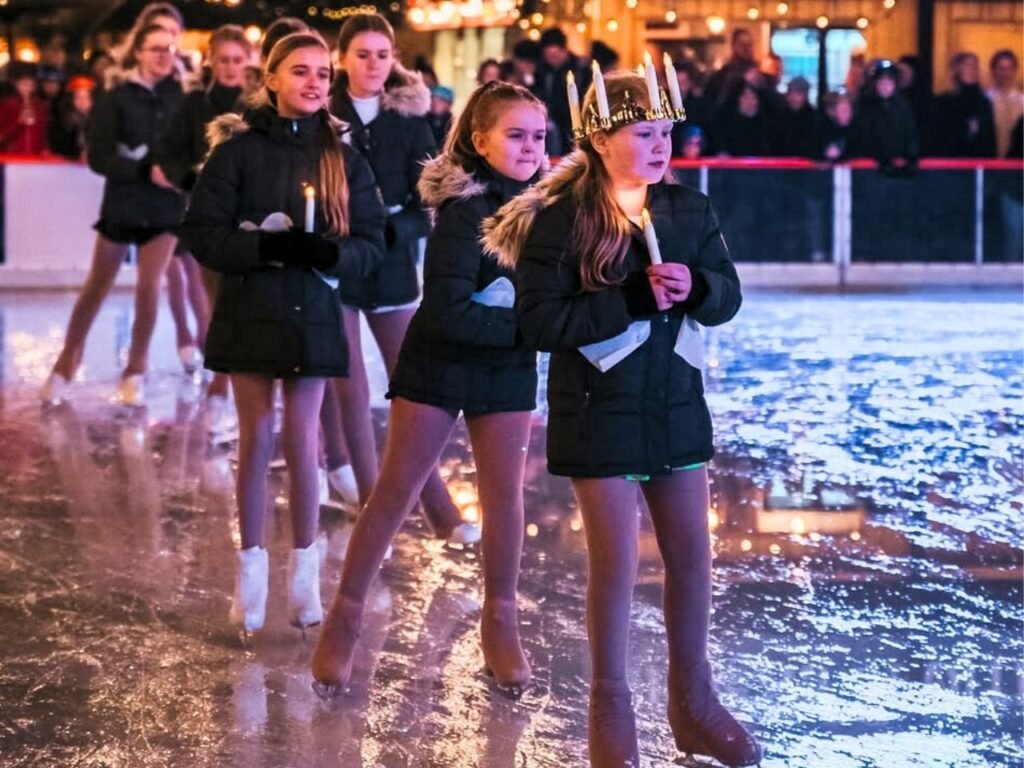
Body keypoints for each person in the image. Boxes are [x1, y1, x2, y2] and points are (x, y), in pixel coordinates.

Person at [483, 71, 761, 768]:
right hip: (597, 412)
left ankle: (694, 703)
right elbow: (541, 322)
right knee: (615, 563)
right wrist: (630, 298)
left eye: (666, 132)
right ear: (600, 141)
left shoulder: (689, 210)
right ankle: (610, 706)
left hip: (675, 407)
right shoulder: (563, 219)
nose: (661, 145)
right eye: (643, 133)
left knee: (692, 556)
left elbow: (727, 296)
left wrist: (699, 287)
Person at [311, 80, 547, 697]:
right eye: (515, 135)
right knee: (396, 488)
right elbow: (445, 310)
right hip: (441, 360)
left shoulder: (551, 212)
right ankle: (346, 612)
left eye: (538, 137)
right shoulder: (465, 212)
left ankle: (500, 620)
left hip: (506, 367)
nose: (529, 147)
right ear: (481, 141)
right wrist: (530, 325)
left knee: (505, 498)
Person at [179, 31, 386, 633]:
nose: (314, 82)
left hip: (313, 314)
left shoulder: (343, 157)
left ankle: (304, 575)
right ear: (270, 79)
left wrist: (329, 254)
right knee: (257, 438)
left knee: (304, 440)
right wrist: (263, 247)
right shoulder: (238, 153)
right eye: (300, 71)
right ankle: (250, 573)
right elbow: (202, 233)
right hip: (253, 309)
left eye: (323, 73)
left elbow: (372, 242)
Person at [328, 12, 474, 541]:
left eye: (382, 55)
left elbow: (430, 198)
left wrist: (395, 228)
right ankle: (373, 502)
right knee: (350, 386)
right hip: (336, 262)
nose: (373, 65)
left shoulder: (411, 120)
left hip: (390, 266)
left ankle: (437, 505)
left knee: (414, 384)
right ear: (342, 58)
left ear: (394, 59)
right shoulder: (323, 113)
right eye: (362, 54)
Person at [39, 16, 187, 407]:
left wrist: (179, 172)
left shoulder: (182, 95)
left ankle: (136, 369)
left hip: (165, 207)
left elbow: (192, 146)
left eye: (170, 48)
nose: (164, 56)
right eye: (156, 49)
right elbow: (99, 156)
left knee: (150, 285)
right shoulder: (117, 96)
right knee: (97, 285)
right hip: (124, 203)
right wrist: (141, 169)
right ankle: (66, 361)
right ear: (138, 52)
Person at [155, 23, 254, 437]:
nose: (230, 67)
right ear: (211, 60)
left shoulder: (259, 102)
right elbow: (168, 152)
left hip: (253, 220)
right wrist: (191, 180)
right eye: (224, 59)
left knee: (251, 309)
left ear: (248, 61)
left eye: (237, 60)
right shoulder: (196, 103)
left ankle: (249, 392)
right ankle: (218, 389)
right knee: (217, 307)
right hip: (211, 220)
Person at [848, 59, 918, 175]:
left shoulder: (903, 107)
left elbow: (911, 135)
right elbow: (863, 137)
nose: (885, 86)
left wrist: (910, 158)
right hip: (872, 169)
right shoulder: (864, 106)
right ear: (875, 84)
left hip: (900, 169)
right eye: (881, 82)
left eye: (889, 82)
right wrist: (882, 159)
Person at [531, 26, 588, 156]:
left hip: (573, 126)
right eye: (549, 56)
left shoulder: (580, 70)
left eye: (556, 55)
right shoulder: (541, 70)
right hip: (549, 126)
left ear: (564, 50)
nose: (553, 60)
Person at [929, 52, 996, 157]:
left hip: (977, 161)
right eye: (967, 66)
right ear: (957, 70)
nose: (972, 70)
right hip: (950, 160)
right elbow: (937, 137)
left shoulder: (984, 103)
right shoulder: (941, 103)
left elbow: (989, 139)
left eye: (975, 66)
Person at [0, 62, 49, 154]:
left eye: (30, 85)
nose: (27, 88)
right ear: (16, 84)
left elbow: (42, 134)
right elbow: (2, 136)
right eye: (23, 84)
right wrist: (18, 123)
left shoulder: (39, 106)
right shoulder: (7, 105)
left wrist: (44, 149)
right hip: (12, 156)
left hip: (34, 156)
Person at [986, 50, 1023, 158]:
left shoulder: (1022, 100)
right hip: (991, 161)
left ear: (1014, 71)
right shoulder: (986, 100)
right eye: (1001, 69)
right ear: (994, 71)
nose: (1005, 74)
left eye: (1009, 69)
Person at [48, 74, 94, 161]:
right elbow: (57, 146)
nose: (82, 102)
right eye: (78, 98)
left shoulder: (100, 121)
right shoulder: (63, 121)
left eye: (86, 98)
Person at [770, 76, 819, 157]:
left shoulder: (815, 119)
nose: (793, 98)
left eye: (798, 94)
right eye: (790, 93)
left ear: (805, 95)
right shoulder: (778, 117)